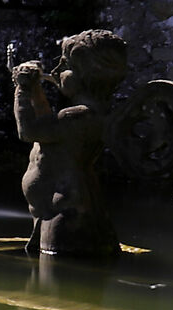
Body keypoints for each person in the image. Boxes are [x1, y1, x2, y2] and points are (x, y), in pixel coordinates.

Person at [11, 29, 127, 258]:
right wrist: (36, 90)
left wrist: (22, 90)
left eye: (64, 66)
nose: (55, 72)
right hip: (56, 209)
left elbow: (29, 131)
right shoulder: (91, 114)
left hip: (65, 214)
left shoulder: (78, 117)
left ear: (85, 73)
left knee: (59, 280)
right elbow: (46, 129)